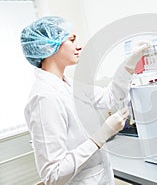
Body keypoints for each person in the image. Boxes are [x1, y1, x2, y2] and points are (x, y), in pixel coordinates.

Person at [20, 16, 150, 185]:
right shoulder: (45, 98)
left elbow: (111, 96)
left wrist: (130, 62)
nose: (79, 46)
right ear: (49, 46)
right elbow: (53, 175)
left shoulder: (67, 84)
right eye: (72, 40)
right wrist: (100, 136)